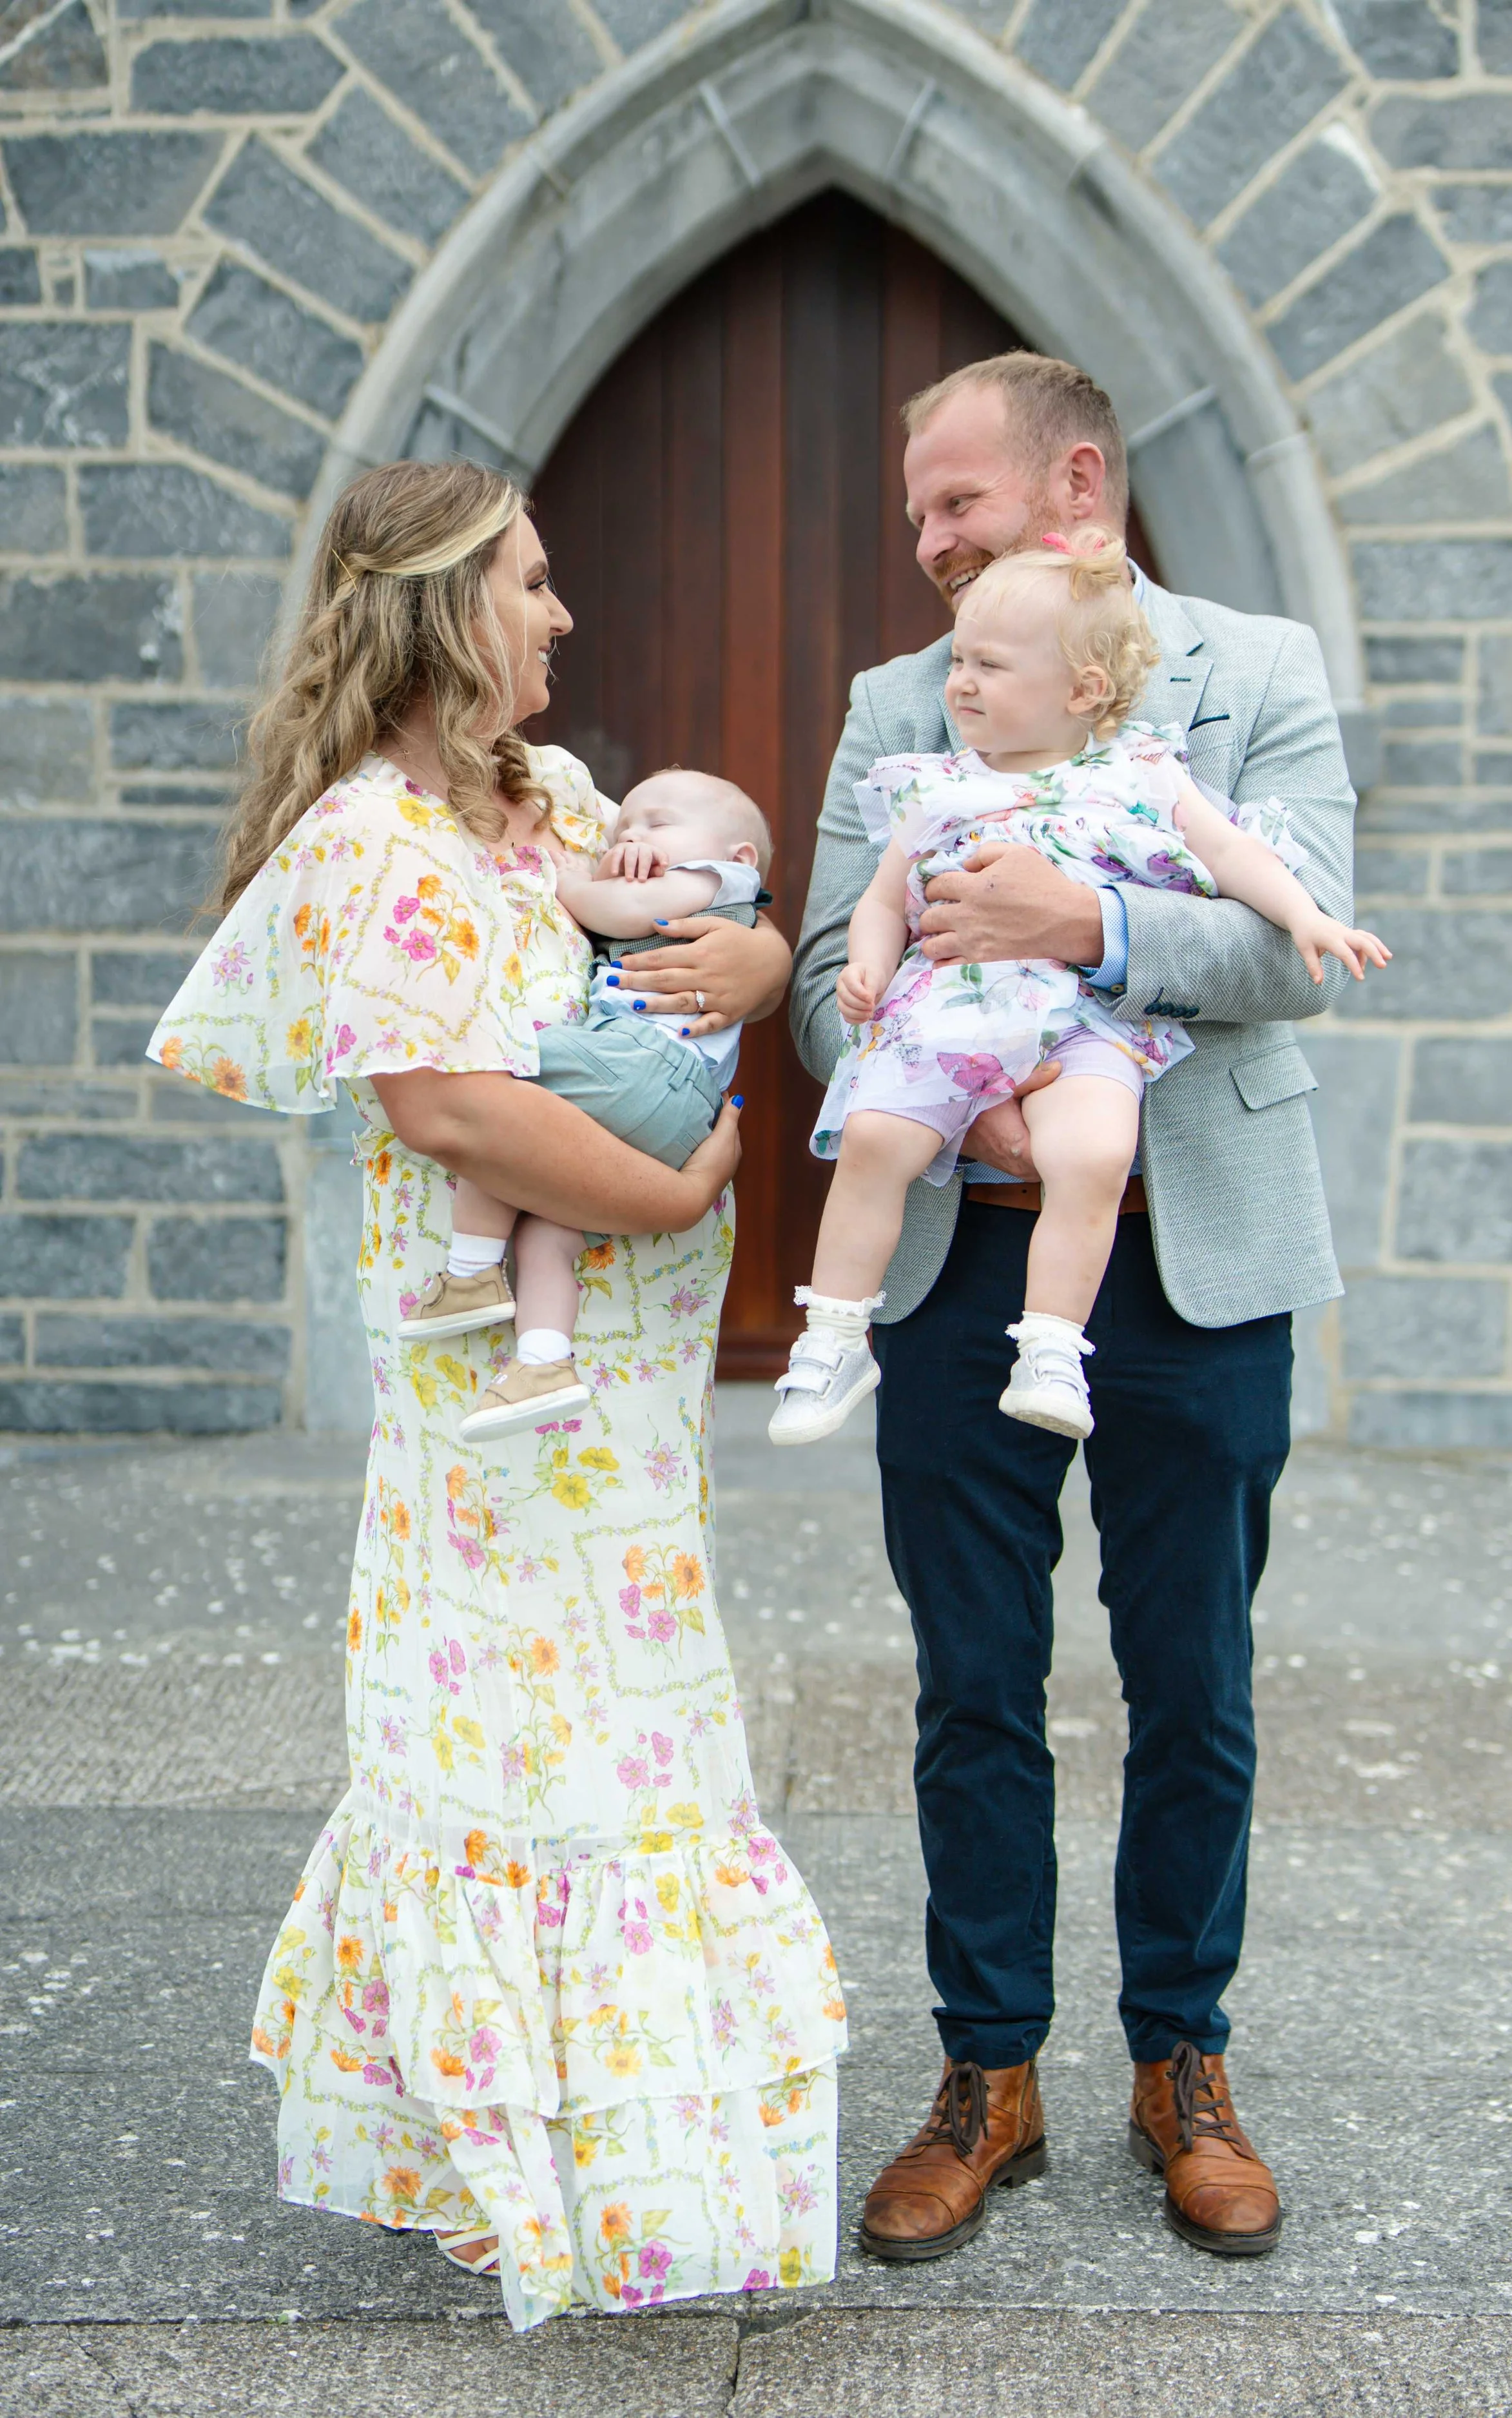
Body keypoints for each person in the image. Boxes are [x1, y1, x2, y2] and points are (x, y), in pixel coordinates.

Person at [150, 460, 846, 2331]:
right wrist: (699, 1185)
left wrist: (765, 954)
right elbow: (451, 1106)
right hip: (490, 1410)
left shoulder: (548, 798)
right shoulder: (375, 840)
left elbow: (712, 912)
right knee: (507, 1757)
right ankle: (502, 2172)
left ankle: (616, 2176)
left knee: (628, 1745)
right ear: (443, 605)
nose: (558, 615)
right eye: (528, 584)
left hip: (620, 1409)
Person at [791, 351, 1359, 2263]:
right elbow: (812, 971)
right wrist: (910, 1024)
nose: (928, 546)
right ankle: (986, 2073)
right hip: (963, 1258)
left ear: (1075, 485)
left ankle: (1177, 2059)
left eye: (955, 505)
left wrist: (1082, 929)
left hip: (1196, 1254)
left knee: (1193, 1679)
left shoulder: (1257, 669)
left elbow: (1299, 945)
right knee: (970, 1681)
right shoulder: (898, 706)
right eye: (916, 518)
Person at [774, 536, 1385, 1447]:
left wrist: (1307, 918)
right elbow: (875, 901)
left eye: (987, 664)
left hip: (1080, 1024)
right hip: (950, 1016)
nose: (959, 681)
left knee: (1095, 1152)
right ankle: (832, 1333)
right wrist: (867, 965)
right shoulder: (934, 785)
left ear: (1084, 690)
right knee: (871, 1138)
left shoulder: (1141, 773)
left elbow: (1233, 854)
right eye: (958, 658)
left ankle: (1052, 1346)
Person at [398, 766, 775, 1445]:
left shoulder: (718, 881)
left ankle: (470, 1270)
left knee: (499, 1076)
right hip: (657, 1103)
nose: (631, 834)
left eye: (657, 823)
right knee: (547, 1224)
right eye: (624, 825)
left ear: (738, 856)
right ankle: (544, 1360)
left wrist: (572, 881)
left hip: (648, 1063)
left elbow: (628, 915)